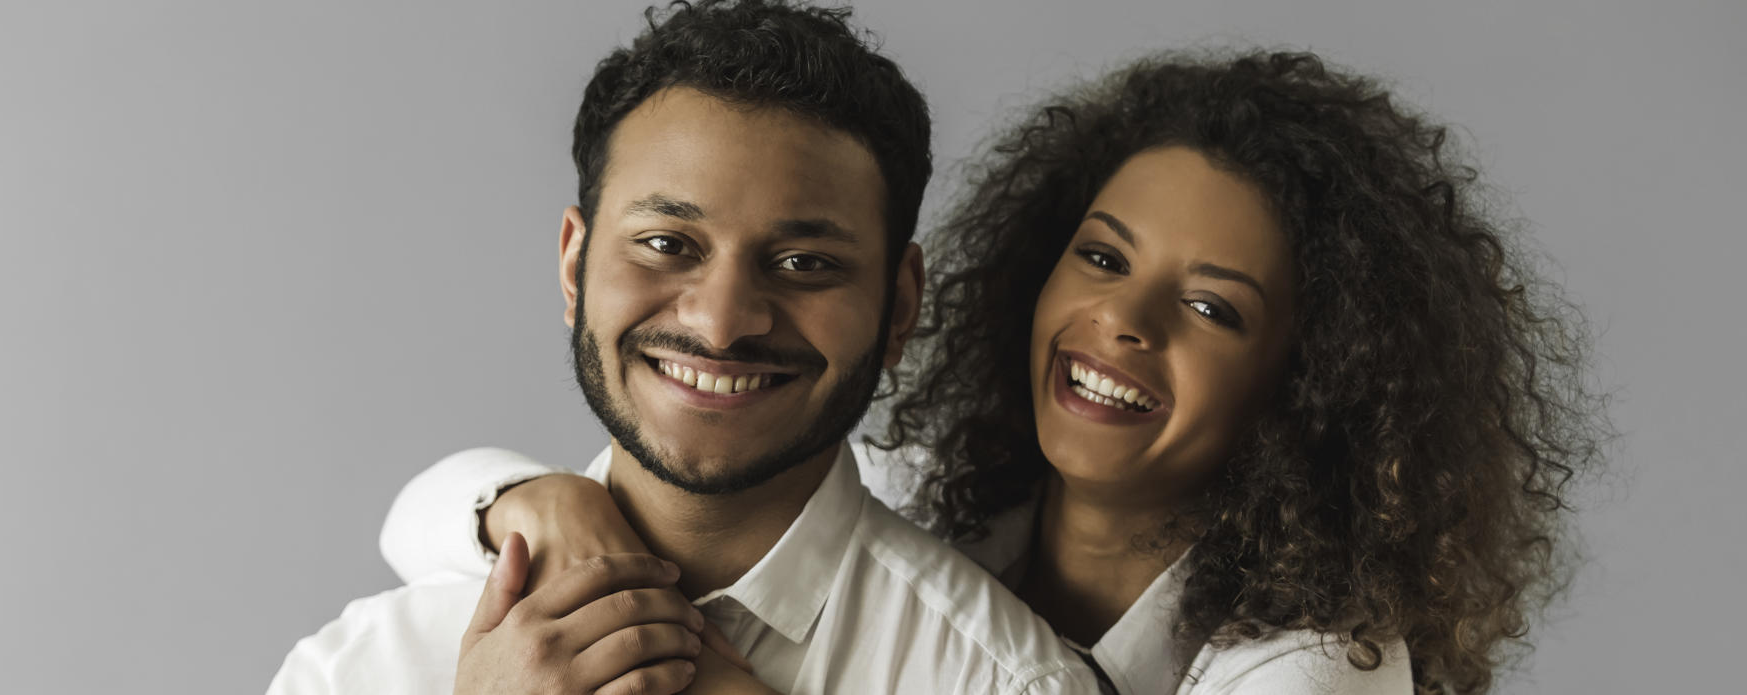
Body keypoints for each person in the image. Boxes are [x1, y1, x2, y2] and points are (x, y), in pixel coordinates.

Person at [387, 50, 1608, 693]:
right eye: (1101, 256)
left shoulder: (1310, 672)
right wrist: (543, 509)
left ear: (1317, 378)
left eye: (1209, 306)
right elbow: (417, 513)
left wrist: (668, 667)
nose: (1122, 323)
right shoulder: (930, 495)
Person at [266, 1, 1100, 693]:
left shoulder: (1008, 681)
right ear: (573, 265)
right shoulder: (369, 663)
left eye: (805, 263)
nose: (721, 322)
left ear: (899, 307)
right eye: (668, 243)